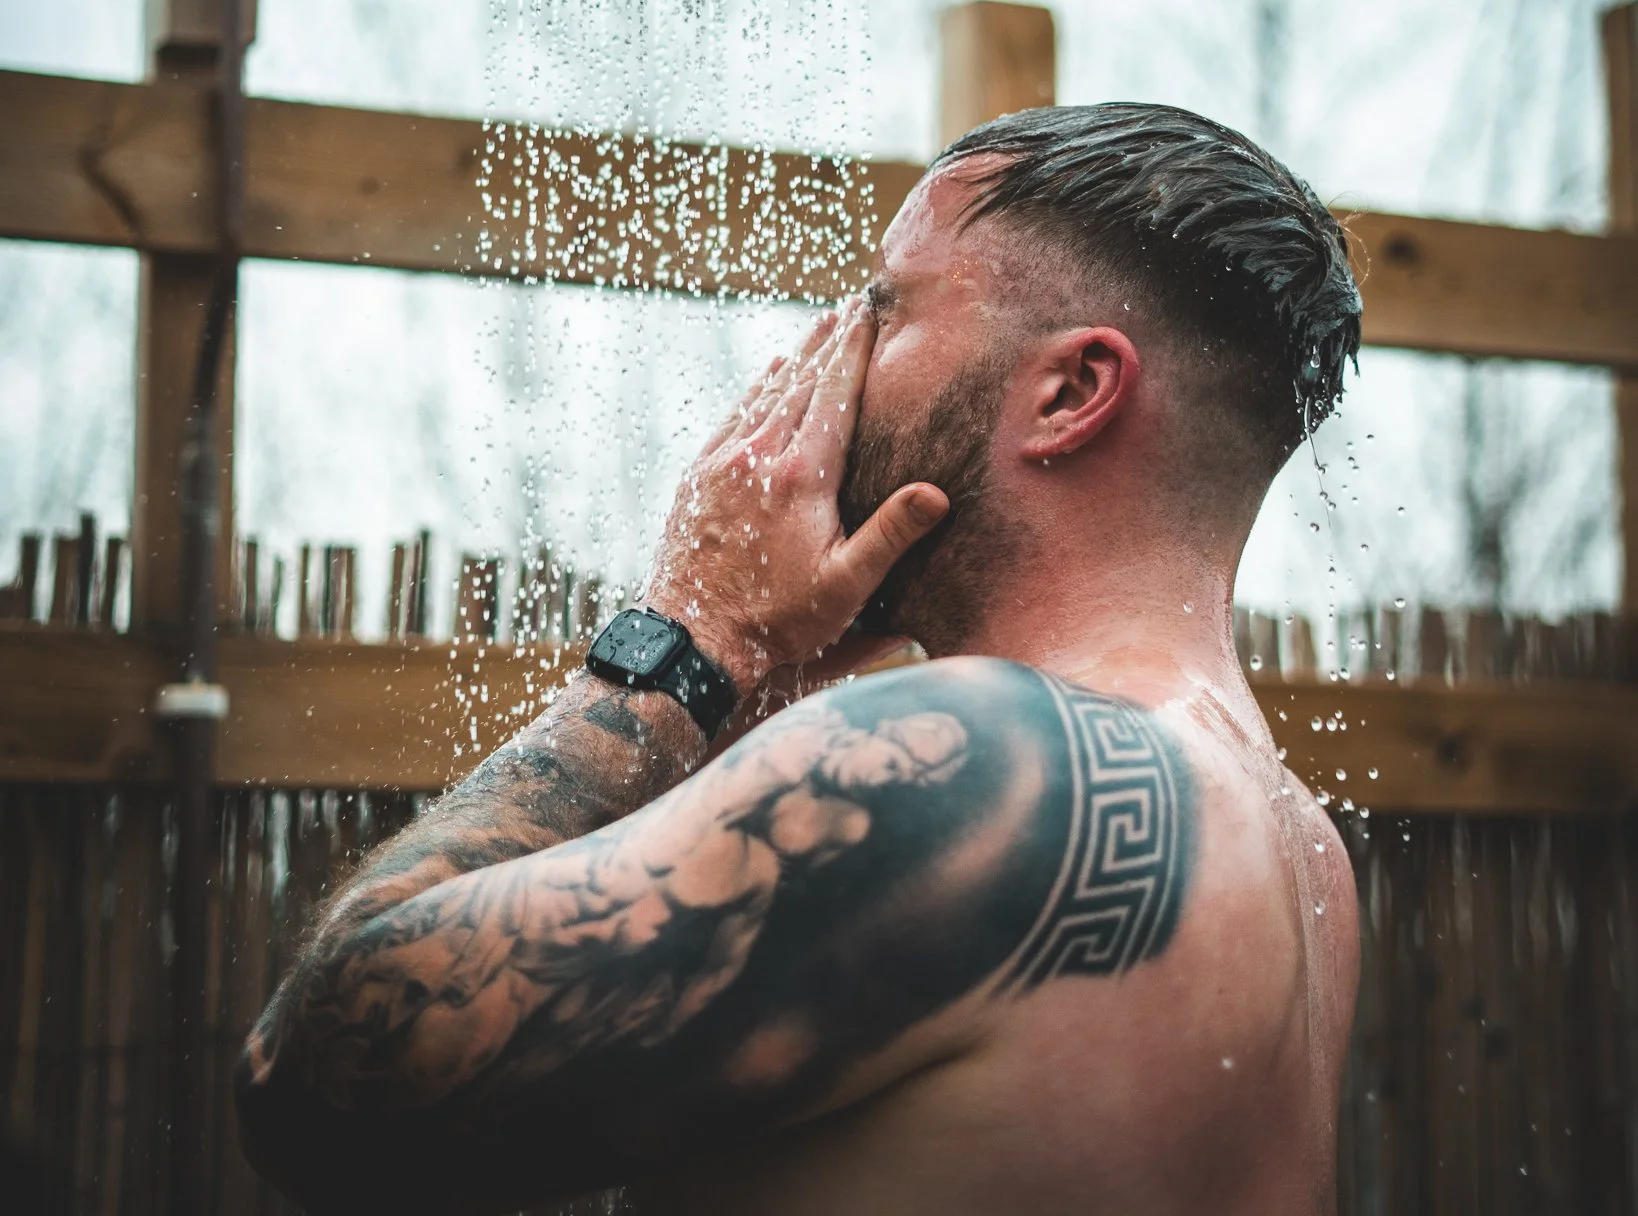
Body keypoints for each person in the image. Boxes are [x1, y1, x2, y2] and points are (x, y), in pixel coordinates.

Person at [237, 102, 1363, 1215]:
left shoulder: (998, 763)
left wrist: (684, 636)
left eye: (885, 304)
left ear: (1070, 393)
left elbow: (315, 1076)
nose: (832, 350)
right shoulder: (1301, 844)